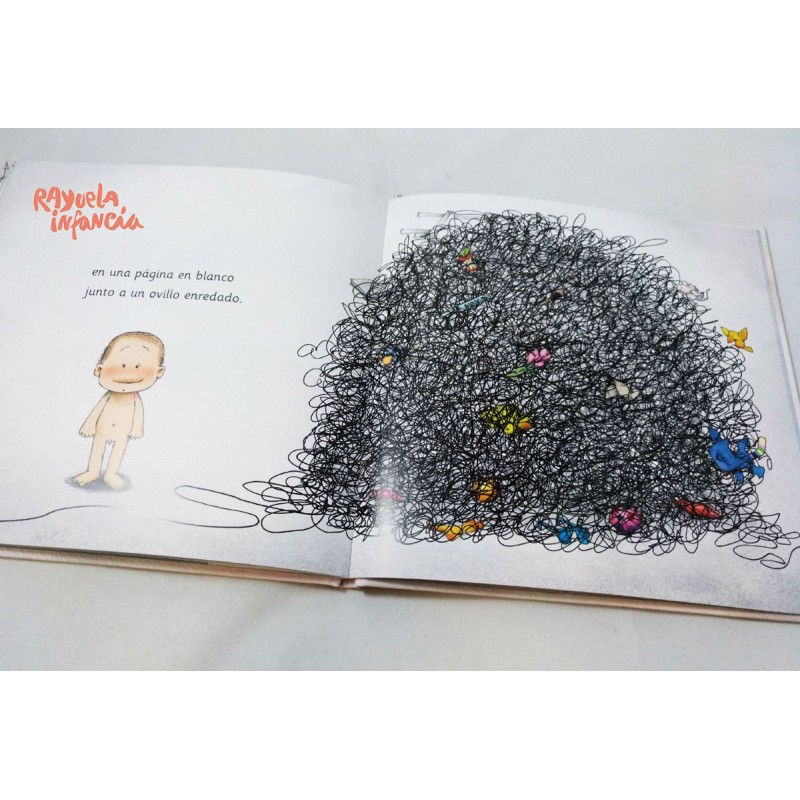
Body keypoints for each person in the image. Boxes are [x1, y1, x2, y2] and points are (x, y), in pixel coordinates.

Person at [73, 331, 165, 489]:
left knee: (118, 450)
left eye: (138, 367)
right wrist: (89, 425)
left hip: (123, 431)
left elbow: (138, 414)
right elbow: (97, 410)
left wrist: (137, 428)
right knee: (98, 448)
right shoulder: (108, 396)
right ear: (99, 369)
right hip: (102, 428)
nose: (128, 374)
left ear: (159, 372)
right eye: (122, 365)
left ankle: (111, 474)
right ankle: (92, 472)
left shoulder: (135, 399)